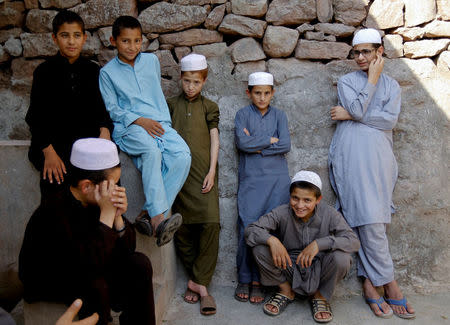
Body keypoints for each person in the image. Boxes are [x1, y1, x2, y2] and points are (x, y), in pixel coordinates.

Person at [19, 138, 156, 325]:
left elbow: (125, 252)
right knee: (95, 284)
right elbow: (88, 265)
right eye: (111, 185)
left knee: (139, 264)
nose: (116, 190)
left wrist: (117, 219)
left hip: (86, 265)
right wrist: (106, 216)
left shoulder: (96, 200)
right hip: (50, 279)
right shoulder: (54, 210)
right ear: (86, 186)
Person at [328, 28, 415, 319]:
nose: (361, 57)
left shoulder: (392, 86)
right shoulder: (346, 81)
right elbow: (357, 106)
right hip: (351, 156)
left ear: (380, 51)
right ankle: (390, 284)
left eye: (367, 51)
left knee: (372, 219)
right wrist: (369, 85)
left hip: (380, 159)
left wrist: (351, 114)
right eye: (357, 52)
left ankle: (368, 284)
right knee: (368, 219)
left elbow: (388, 120)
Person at [99, 16, 191, 246]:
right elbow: (112, 109)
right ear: (113, 41)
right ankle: (159, 218)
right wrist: (140, 120)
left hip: (160, 123)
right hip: (129, 127)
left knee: (182, 156)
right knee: (151, 152)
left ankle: (145, 215)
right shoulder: (107, 73)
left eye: (137, 41)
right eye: (126, 41)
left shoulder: (151, 62)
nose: (132, 47)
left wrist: (157, 122)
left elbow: (154, 96)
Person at [245, 171, 360, 323]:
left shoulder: (330, 214)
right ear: (290, 196)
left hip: (319, 268)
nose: (300, 205)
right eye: (295, 198)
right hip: (289, 266)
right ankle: (286, 291)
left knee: (342, 258)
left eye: (307, 200)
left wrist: (319, 244)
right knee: (259, 248)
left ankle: (319, 296)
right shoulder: (282, 212)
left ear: (318, 199)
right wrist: (272, 240)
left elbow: (353, 241)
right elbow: (251, 230)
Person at [25, 10, 112, 201]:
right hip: (56, 147)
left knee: (103, 193)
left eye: (76, 35)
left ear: (84, 38)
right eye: (65, 36)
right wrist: (48, 152)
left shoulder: (92, 70)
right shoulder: (44, 72)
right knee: (57, 196)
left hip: (86, 144)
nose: (71, 42)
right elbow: (35, 117)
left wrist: (105, 130)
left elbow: (101, 108)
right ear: (54, 38)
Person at [167, 53, 220, 315]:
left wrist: (211, 171)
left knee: (211, 223)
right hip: (178, 176)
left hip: (203, 174)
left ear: (204, 80)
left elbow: (214, 140)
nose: (190, 86)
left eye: (196, 82)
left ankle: (197, 281)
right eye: (186, 81)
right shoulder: (170, 105)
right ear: (180, 78)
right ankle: (200, 285)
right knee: (183, 228)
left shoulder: (210, 107)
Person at [234, 72, 291, 304]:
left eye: (266, 93)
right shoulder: (242, 115)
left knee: (271, 230)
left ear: (273, 93)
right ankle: (245, 278)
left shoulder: (279, 115)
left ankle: (261, 280)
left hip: (277, 180)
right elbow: (241, 143)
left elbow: (285, 144)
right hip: (251, 179)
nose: (262, 97)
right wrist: (269, 140)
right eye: (257, 93)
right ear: (249, 93)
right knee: (247, 227)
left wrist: (255, 144)